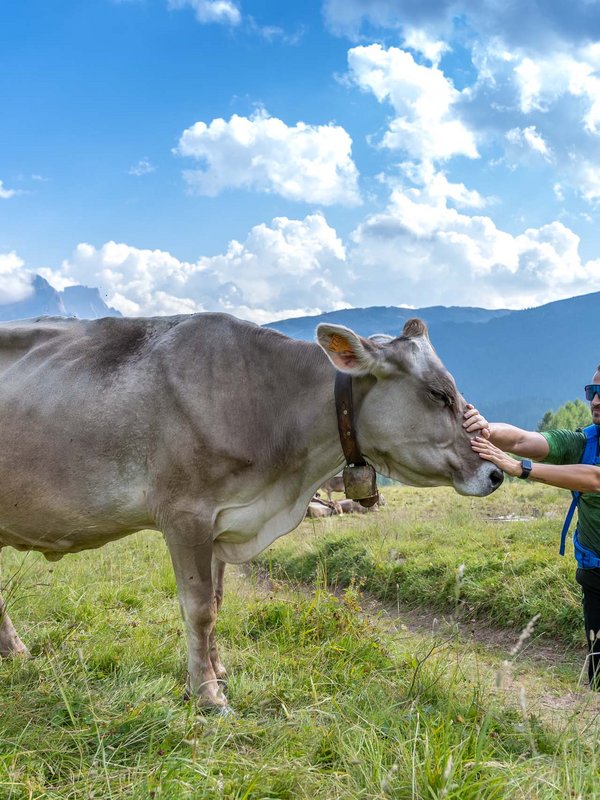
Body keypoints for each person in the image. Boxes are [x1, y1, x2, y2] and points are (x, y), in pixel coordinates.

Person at [463, 367, 600, 688]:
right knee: (598, 679)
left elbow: (595, 479)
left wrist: (519, 467)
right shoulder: (583, 441)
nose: (595, 400)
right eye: (591, 392)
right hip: (595, 575)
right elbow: (524, 439)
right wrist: (486, 429)